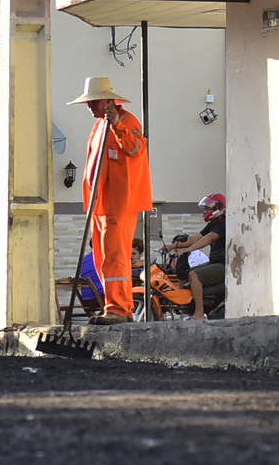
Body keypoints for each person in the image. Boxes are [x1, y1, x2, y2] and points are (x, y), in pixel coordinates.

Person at [72, 75, 153, 322]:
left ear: (108, 101)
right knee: (103, 258)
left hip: (119, 204)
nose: (89, 107)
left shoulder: (127, 122)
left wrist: (117, 124)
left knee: (115, 257)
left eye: (93, 102)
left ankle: (118, 309)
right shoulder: (99, 127)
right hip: (101, 205)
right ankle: (117, 306)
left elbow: (135, 149)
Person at [167, 192, 226, 317]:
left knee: (194, 275)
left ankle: (198, 313)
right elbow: (194, 238)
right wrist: (173, 246)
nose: (205, 211)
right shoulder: (212, 224)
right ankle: (185, 306)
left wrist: (189, 250)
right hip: (214, 262)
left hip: (223, 264)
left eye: (208, 208)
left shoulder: (224, 223)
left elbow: (210, 238)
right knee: (186, 271)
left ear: (218, 209)